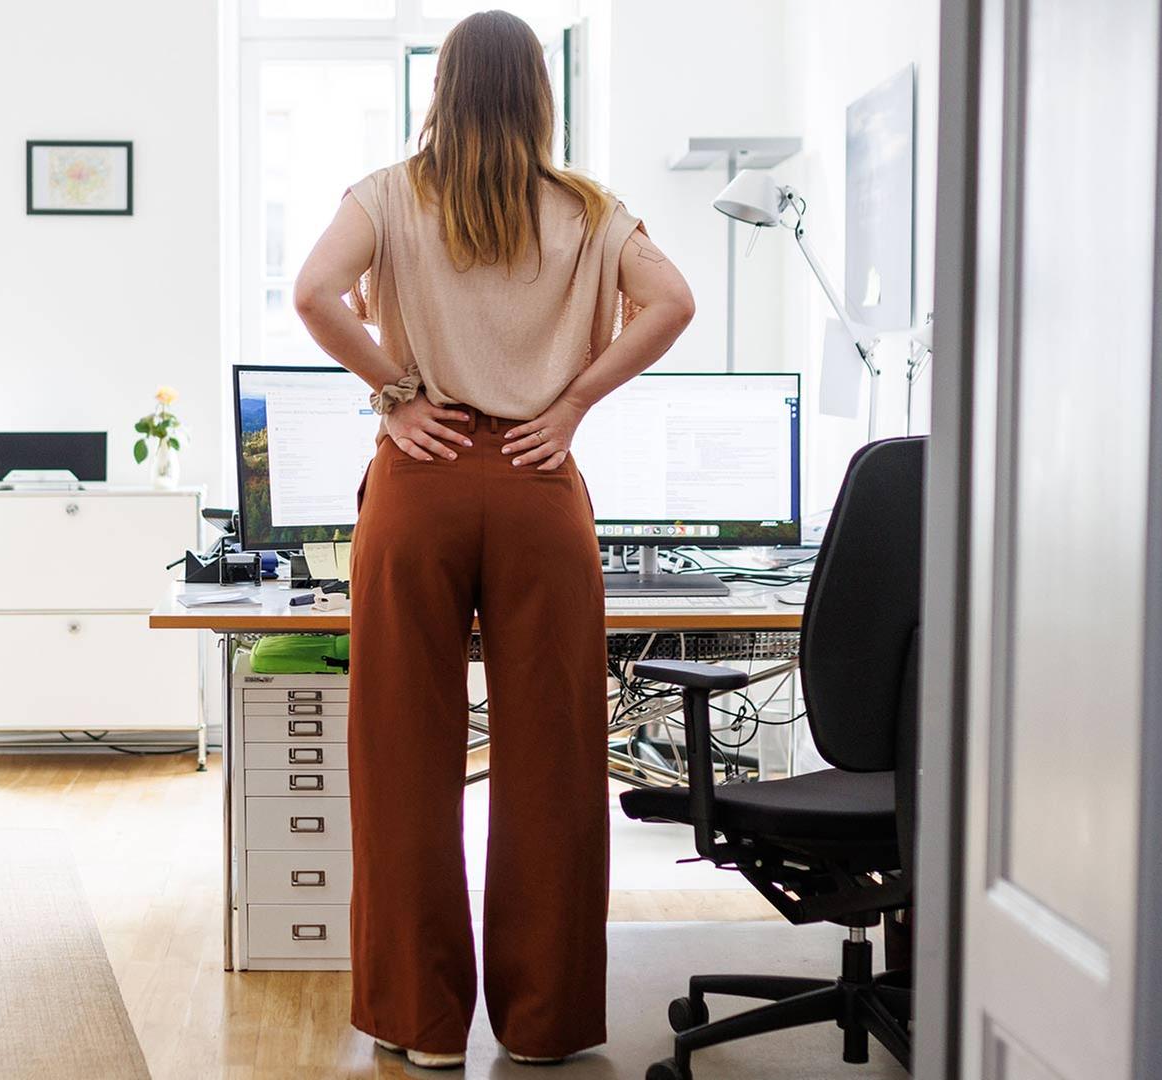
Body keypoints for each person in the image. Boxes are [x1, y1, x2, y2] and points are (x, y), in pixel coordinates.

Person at [293, 8, 695, 1070]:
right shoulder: (590, 209)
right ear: (539, 94)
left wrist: (393, 391)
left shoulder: (386, 194)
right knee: (556, 760)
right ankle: (544, 1024)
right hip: (537, 481)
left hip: (419, 483)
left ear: (442, 87)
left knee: (402, 752)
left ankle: (423, 1029)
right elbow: (674, 303)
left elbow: (313, 292)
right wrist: (570, 406)